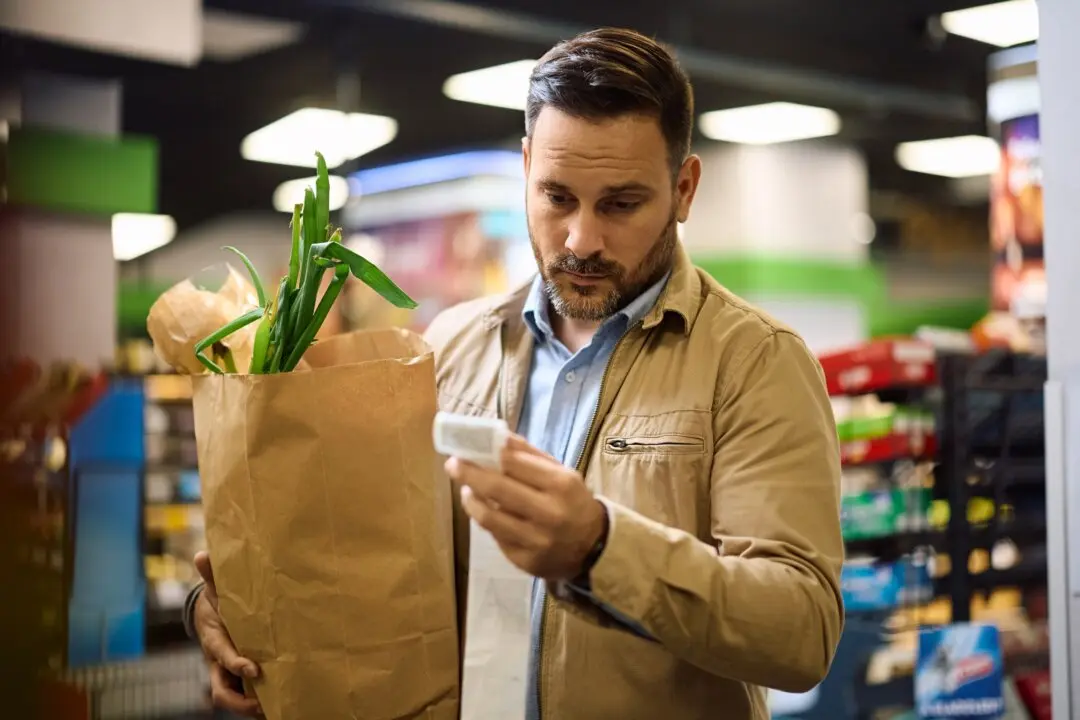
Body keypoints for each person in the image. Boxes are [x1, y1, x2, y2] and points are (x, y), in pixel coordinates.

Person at [186, 26, 845, 720]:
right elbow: (371, 558)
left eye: (621, 204)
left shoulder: (753, 362)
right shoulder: (449, 346)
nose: (581, 240)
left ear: (684, 188)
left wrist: (600, 547)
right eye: (557, 196)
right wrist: (237, 606)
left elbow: (801, 632)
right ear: (527, 167)